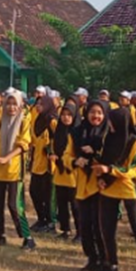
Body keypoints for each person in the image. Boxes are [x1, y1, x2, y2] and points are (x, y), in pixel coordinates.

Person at [93, 108, 136, 271]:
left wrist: (109, 170)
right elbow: (104, 159)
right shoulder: (109, 138)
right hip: (109, 188)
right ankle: (112, 264)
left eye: (112, 121)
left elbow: (132, 169)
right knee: (106, 228)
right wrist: (101, 177)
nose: (109, 124)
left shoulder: (135, 143)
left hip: (129, 188)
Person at [0, 90, 36, 250]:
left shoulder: (24, 120)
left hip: (15, 170)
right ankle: (0, 235)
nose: (11, 107)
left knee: (14, 205)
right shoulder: (1, 119)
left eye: (14, 103)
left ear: (20, 104)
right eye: (8, 103)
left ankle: (27, 237)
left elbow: (24, 145)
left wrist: (7, 158)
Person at [69, 100, 110, 271]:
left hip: (101, 186)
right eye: (93, 112)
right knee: (84, 225)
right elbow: (67, 153)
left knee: (99, 225)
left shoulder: (109, 134)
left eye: (100, 113)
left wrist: (95, 153)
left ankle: (105, 260)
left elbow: (112, 158)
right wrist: (74, 161)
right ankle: (92, 259)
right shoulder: (78, 132)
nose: (96, 116)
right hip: (83, 186)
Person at [49, 103, 79, 241]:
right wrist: (53, 155)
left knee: (75, 205)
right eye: (63, 115)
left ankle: (80, 231)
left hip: (73, 173)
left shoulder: (78, 132)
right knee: (62, 204)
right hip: (60, 173)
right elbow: (54, 147)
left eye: (69, 115)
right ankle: (65, 229)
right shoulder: (59, 131)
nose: (66, 118)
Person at [29, 95, 57, 232]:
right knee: (34, 192)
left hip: (48, 165)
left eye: (41, 104)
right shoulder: (38, 120)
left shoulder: (51, 121)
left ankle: (50, 222)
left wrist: (52, 150)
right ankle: (41, 219)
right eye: (37, 104)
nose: (38, 106)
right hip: (37, 162)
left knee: (47, 195)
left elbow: (60, 139)